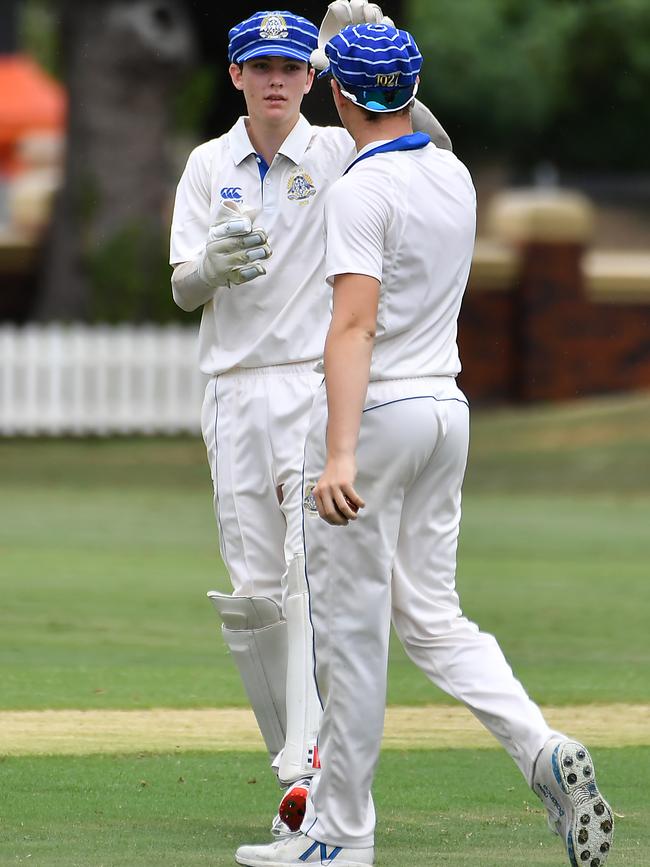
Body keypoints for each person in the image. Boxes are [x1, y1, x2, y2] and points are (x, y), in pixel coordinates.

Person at [234, 22, 615, 867]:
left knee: (353, 635)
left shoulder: (358, 194)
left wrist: (337, 455)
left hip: (377, 420)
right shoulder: (453, 170)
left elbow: (354, 325)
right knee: (434, 617)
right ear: (406, 90)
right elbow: (414, 117)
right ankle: (540, 746)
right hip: (446, 413)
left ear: (337, 95)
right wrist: (369, 48)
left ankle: (339, 835)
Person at [168, 3, 453, 839]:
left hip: (312, 383)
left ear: (315, 77)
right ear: (237, 76)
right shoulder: (205, 164)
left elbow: (427, 146)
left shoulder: (336, 151)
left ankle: (312, 771)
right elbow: (183, 285)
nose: (279, 82)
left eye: (294, 68)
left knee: (306, 578)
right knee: (255, 597)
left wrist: (376, 59)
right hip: (231, 388)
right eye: (264, 68)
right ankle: (295, 770)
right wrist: (209, 269)